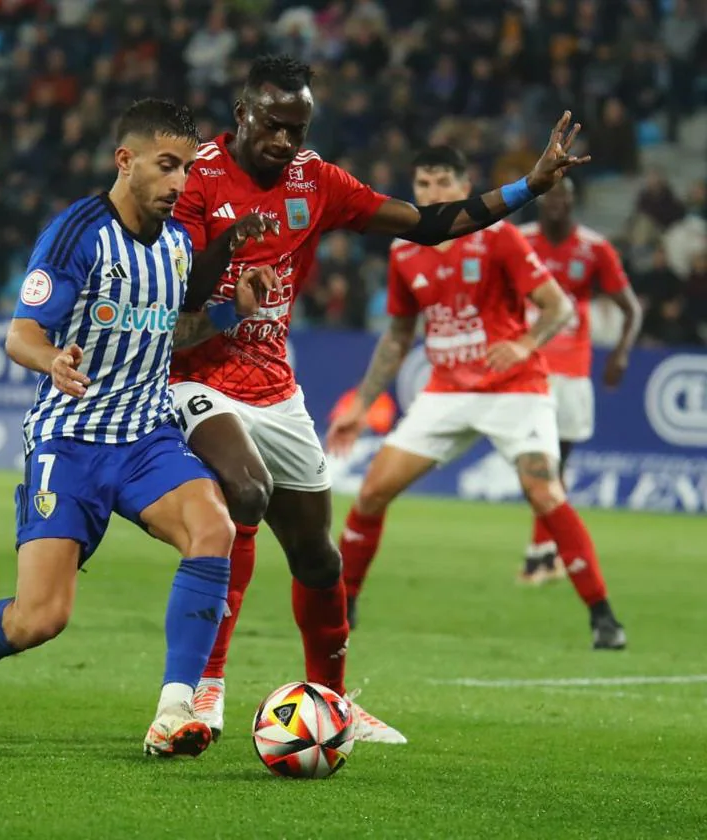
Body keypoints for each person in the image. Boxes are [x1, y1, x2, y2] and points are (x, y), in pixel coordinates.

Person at [169, 54, 590, 743]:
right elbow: (185, 295)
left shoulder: (317, 180)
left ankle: (332, 704)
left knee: (320, 560)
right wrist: (234, 244)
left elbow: (426, 223)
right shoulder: (199, 177)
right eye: (273, 126)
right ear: (242, 113)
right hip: (194, 375)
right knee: (242, 497)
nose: (285, 142)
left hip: (273, 386)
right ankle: (205, 691)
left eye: (297, 129)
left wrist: (526, 189)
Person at [0, 99, 278, 757]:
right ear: (124, 161)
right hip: (68, 442)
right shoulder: (77, 233)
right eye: (166, 166)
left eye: (187, 169)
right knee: (41, 618)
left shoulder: (180, 245)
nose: (179, 184)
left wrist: (228, 314)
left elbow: (172, 329)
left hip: (145, 439)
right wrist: (55, 360)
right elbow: (21, 334)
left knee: (212, 525)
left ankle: (175, 709)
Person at [329, 146, 627, 651]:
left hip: (515, 388)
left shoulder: (499, 237)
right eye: (423, 185)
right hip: (446, 391)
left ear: (465, 188)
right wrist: (361, 402)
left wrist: (526, 344)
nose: (432, 194)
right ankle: (343, 606)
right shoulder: (404, 249)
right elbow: (400, 335)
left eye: (443, 182)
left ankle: (603, 616)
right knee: (373, 491)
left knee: (543, 491)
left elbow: (557, 307)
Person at [516, 181, 641, 583]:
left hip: (571, 371)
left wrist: (621, 352)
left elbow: (631, 308)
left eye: (565, 198)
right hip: (527, 365)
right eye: (550, 197)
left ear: (574, 202)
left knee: (554, 464)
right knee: (537, 462)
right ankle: (545, 552)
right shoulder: (520, 241)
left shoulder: (593, 248)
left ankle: (543, 553)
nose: (557, 204)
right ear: (541, 201)